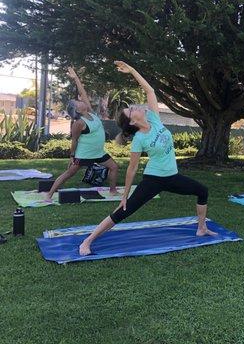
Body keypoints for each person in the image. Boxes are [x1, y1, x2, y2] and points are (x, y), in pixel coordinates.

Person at [79, 61, 215, 256]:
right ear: (133, 121)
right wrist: (124, 195)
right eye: (131, 110)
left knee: (202, 191)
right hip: (153, 179)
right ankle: (88, 240)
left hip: (173, 176)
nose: (135, 107)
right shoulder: (140, 139)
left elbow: (150, 91)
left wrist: (132, 71)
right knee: (125, 211)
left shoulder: (154, 118)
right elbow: (132, 169)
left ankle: (201, 228)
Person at [44, 67, 119, 201]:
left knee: (114, 167)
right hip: (84, 154)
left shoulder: (90, 112)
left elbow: (82, 92)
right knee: (69, 173)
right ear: (77, 109)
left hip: (99, 152)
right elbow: (74, 140)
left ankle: (113, 191)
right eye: (78, 102)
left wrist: (76, 78)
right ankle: (49, 194)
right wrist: (72, 156)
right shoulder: (79, 123)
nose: (81, 100)